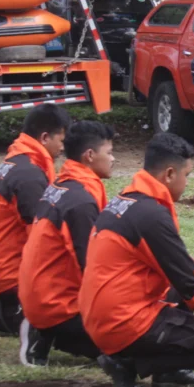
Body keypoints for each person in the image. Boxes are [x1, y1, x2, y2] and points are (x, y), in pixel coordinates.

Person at [80, 132, 194, 387]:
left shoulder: (129, 198)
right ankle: (125, 363)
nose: (187, 183)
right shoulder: (151, 213)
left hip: (100, 311)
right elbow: (189, 283)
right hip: (119, 320)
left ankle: (167, 372)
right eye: (187, 176)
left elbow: (165, 255)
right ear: (169, 174)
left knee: (182, 290)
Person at [17, 120, 115, 366]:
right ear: (90, 155)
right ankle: (48, 331)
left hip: (41, 295)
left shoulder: (61, 185)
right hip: (56, 305)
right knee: (131, 339)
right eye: (110, 153)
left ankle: (44, 329)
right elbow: (91, 266)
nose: (113, 159)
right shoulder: (80, 201)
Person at [0, 105, 71, 335]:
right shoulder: (29, 176)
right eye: (61, 140)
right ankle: (1, 313)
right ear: (45, 137)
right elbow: (41, 241)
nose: (62, 148)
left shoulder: (17, 162)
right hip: (8, 275)